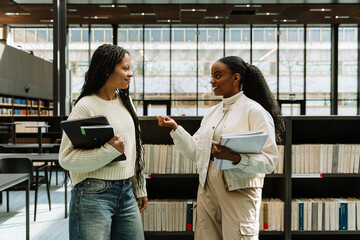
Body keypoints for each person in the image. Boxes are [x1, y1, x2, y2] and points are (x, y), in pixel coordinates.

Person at [156, 56, 284, 240]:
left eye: (217, 75)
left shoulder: (254, 111)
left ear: (235, 78)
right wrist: (176, 129)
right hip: (207, 186)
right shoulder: (212, 113)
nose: (211, 81)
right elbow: (195, 151)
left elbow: (270, 161)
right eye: (211, 76)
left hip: (239, 189)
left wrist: (236, 158)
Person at [59, 44, 147, 240]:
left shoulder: (127, 103)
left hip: (126, 192)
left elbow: (135, 148)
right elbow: (66, 159)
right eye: (125, 68)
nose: (130, 74)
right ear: (107, 69)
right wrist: (109, 150)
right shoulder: (85, 106)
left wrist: (139, 187)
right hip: (92, 193)